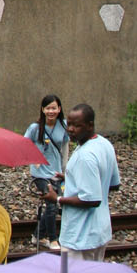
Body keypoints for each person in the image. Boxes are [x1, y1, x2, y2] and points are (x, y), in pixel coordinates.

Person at [59, 103, 121, 261]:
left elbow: (91, 199)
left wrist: (57, 199)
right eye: (69, 124)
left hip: (79, 237)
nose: (70, 129)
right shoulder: (104, 144)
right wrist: (72, 177)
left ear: (90, 125)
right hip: (99, 232)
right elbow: (113, 184)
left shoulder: (85, 155)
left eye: (76, 125)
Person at [25, 93, 69, 252]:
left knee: (54, 205)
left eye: (54, 108)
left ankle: (38, 235)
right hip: (40, 174)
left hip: (56, 173)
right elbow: (24, 143)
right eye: (48, 108)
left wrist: (65, 169)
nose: (51, 111)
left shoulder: (63, 126)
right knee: (51, 205)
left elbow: (65, 148)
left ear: (59, 109)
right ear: (43, 110)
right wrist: (32, 158)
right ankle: (53, 239)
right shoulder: (35, 128)